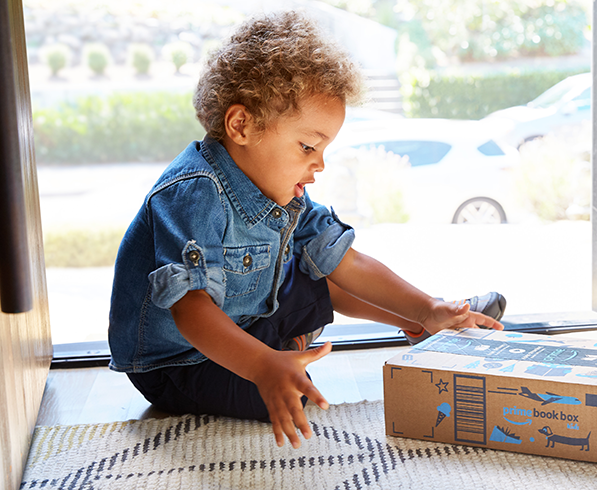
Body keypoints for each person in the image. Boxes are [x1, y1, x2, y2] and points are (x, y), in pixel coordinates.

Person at [108, 10, 506, 450]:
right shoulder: (194, 192)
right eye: (308, 146)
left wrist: (426, 305)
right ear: (242, 126)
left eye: (324, 148)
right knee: (292, 388)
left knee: (318, 267)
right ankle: (280, 349)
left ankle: (421, 324)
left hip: (245, 320)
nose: (319, 163)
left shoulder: (283, 191)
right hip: (178, 363)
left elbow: (344, 260)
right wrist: (264, 366)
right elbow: (190, 308)